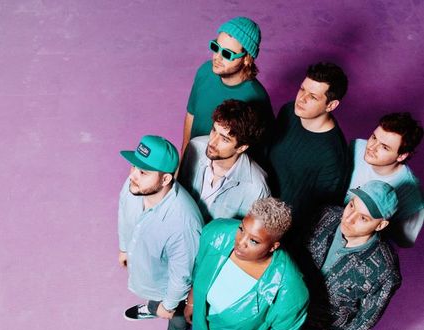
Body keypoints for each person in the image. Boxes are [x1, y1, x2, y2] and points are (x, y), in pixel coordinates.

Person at [184, 198, 309, 330]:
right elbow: (200, 267)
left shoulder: (290, 289)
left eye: (254, 241)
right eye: (242, 229)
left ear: (273, 246)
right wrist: (192, 301)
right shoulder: (217, 233)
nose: (240, 243)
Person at [287, 180, 401, 330]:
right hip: (294, 305)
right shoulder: (326, 215)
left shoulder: (384, 270)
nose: (348, 219)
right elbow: (295, 248)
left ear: (381, 225)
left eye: (363, 218)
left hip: (329, 325)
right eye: (351, 206)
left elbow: (368, 316)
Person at [118, 135, 203, 330]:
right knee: (153, 289)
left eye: (143, 172)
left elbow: (182, 276)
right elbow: (124, 214)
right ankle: (153, 307)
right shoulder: (135, 187)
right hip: (151, 270)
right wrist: (124, 247)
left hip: (172, 287)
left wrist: (169, 305)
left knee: (176, 316)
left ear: (165, 178)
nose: (133, 175)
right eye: (134, 166)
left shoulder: (183, 223)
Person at [267, 62, 350, 230]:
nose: (301, 99)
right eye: (302, 89)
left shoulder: (332, 155)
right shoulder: (288, 111)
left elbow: (322, 214)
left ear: (331, 105)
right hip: (257, 205)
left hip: (286, 229)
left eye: (313, 97)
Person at [183, 16, 274, 160]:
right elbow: (191, 114)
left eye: (227, 54)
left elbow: (259, 150)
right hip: (193, 158)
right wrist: (184, 156)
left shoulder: (257, 97)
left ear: (247, 59)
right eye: (215, 47)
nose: (217, 58)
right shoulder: (205, 71)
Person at [178, 99, 270, 222]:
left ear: (242, 147)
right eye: (214, 130)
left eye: (224, 139)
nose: (212, 142)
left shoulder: (257, 188)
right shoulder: (195, 147)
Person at [347, 112, 424, 247]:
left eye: (384, 147)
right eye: (374, 137)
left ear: (401, 156)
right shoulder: (356, 147)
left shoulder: (412, 195)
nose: (371, 147)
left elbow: (405, 241)